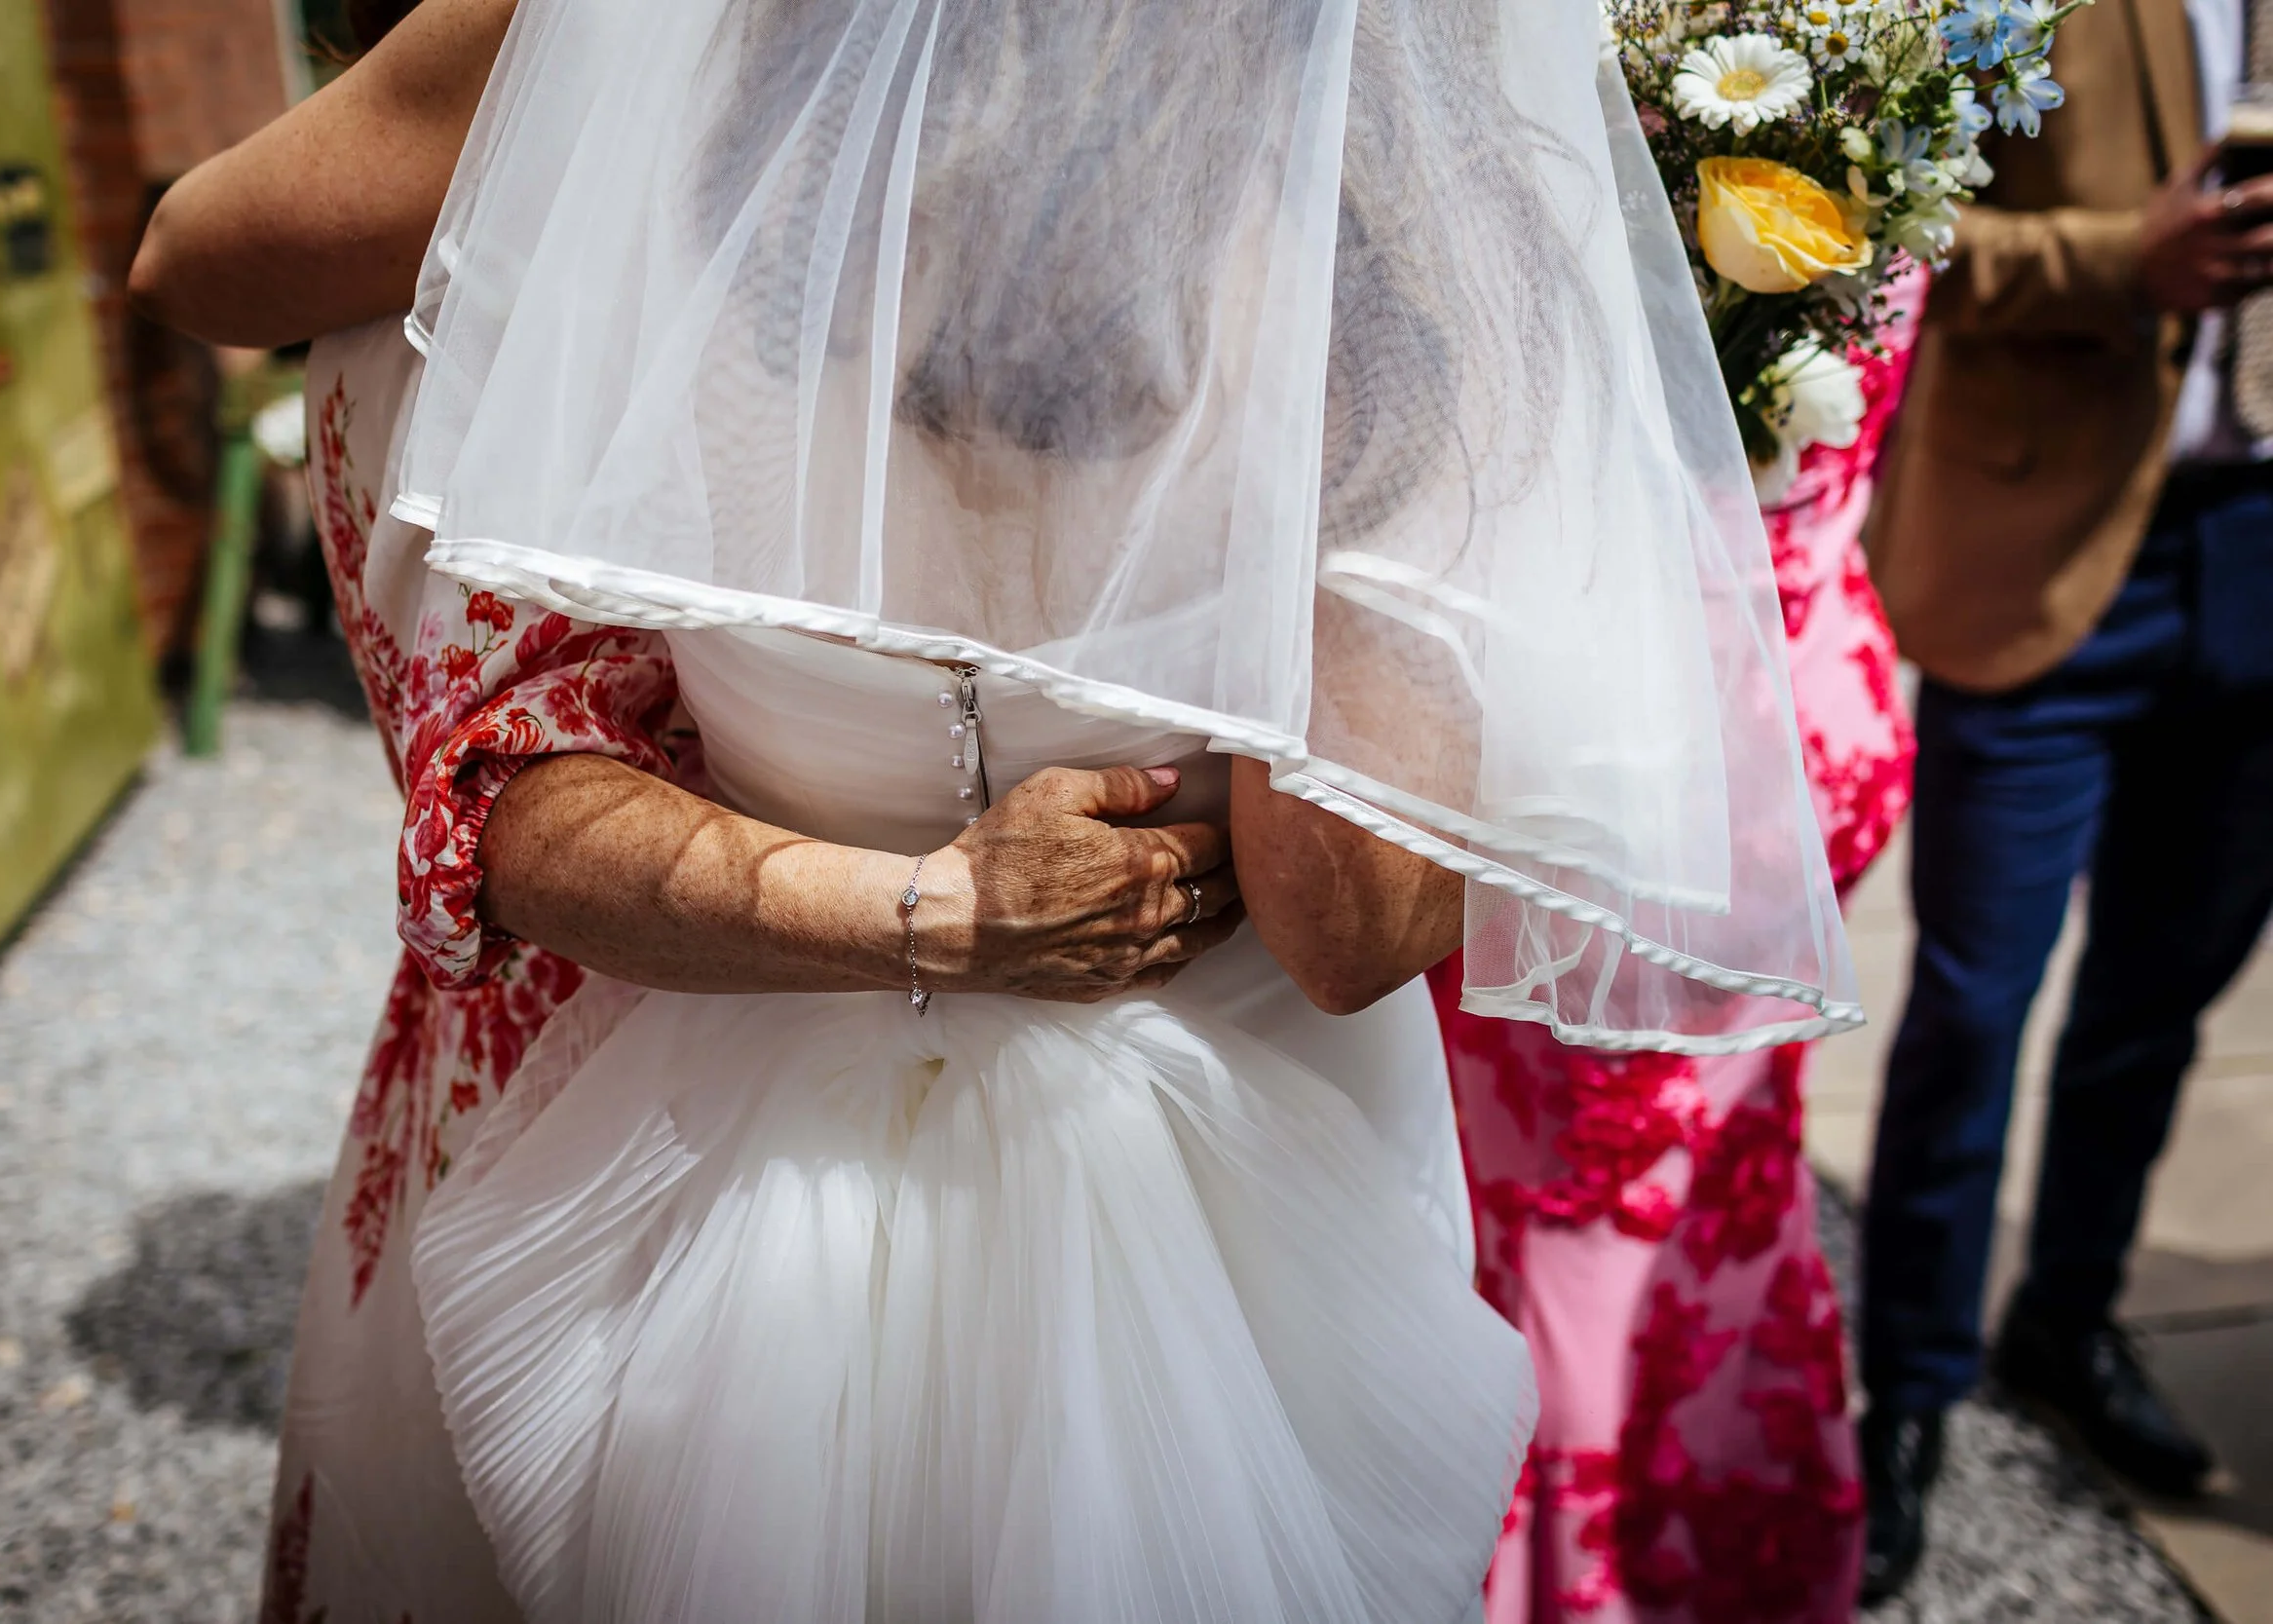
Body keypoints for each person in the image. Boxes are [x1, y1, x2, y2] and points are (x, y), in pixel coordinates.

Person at [134, 0, 1859, 1617]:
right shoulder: (1375, 234)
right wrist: (1505, 383)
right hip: (1247, 1216)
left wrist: (918, 911)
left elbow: (503, 781)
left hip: (713, 1164)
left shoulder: (653, 131)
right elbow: (1340, 916)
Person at [1858, 0, 2273, 1602]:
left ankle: (2066, 1318)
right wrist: (2124, 261)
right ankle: (1907, 1393)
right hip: (2049, 558)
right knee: (1973, 1008)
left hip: (2255, 560)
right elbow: (1899, 208)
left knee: (2157, 1001)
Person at [1435, 278, 1922, 1624]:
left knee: (1566, 1203)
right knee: (1706, 1171)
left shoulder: (1555, 114)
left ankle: (1572, 1582)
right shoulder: (1890, 132)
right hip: (1810, 719)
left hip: (1611, 761)